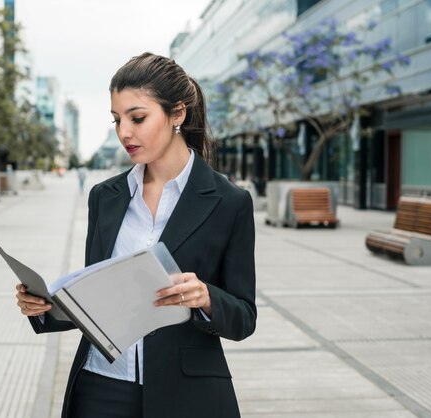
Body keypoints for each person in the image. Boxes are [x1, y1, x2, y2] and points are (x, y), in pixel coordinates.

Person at [15, 52, 256, 418]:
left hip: (186, 394)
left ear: (178, 114)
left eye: (137, 118)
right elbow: (97, 297)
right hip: (99, 387)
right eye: (117, 120)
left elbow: (244, 317)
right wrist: (44, 307)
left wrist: (206, 298)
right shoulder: (104, 197)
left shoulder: (229, 202)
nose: (124, 132)